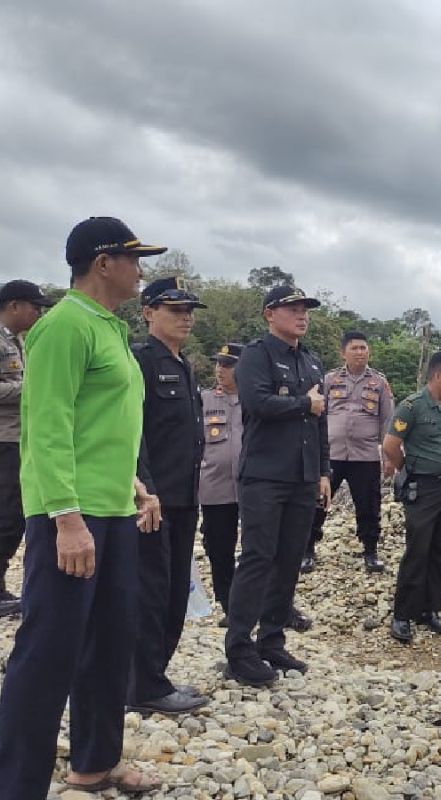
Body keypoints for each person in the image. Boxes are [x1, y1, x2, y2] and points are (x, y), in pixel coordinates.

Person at [0, 216, 165, 797]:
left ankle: (95, 762)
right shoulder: (64, 327)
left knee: (110, 642)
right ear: (103, 263)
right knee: (49, 650)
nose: (140, 270)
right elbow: (46, 430)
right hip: (71, 517)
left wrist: (135, 485)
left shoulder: (108, 328)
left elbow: (102, 427)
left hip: (114, 510)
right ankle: (15, 783)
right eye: (133, 259)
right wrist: (66, 518)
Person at [223, 285, 331, 687]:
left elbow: (321, 423)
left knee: (288, 561)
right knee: (257, 559)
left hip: (302, 477)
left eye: (305, 309)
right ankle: (239, 649)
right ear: (270, 314)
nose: (302, 315)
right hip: (265, 475)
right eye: (293, 308)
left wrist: (323, 471)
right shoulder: (256, 356)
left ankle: (272, 640)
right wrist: (304, 404)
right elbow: (258, 404)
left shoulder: (312, 361)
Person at [128, 276, 209, 715]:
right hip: (153, 499)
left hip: (184, 497)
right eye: (175, 310)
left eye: (189, 311)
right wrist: (143, 489)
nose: (185, 318)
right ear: (148, 313)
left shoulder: (184, 364)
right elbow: (132, 431)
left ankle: (153, 675)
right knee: (152, 592)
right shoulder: (139, 360)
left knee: (177, 589)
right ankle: (144, 685)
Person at [384, 352, 441, 643]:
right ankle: (403, 615)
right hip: (423, 487)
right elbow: (391, 445)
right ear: (436, 376)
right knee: (418, 551)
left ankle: (430, 609)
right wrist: (409, 469)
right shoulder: (412, 407)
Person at [304, 330, 395, 574]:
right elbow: (315, 415)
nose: (359, 352)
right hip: (331, 454)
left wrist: (388, 457)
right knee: (318, 501)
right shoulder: (329, 379)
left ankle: (370, 550)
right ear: (343, 352)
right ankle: (307, 550)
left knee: (369, 504)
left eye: (363, 348)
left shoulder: (379, 383)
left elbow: (387, 420)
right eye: (354, 348)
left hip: (365, 455)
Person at [0, 279, 53, 617]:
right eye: (34, 307)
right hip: (4, 438)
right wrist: (31, 388)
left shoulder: (19, 341)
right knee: (5, 514)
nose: (38, 313)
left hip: (21, 438)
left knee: (15, 515)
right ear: (14, 305)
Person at [199, 343, 244, 622]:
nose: (220, 370)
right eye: (218, 364)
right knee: (219, 548)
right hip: (215, 488)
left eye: (227, 365)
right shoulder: (203, 400)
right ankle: (228, 605)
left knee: (259, 550)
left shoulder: (255, 399)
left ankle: (263, 604)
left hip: (253, 487)